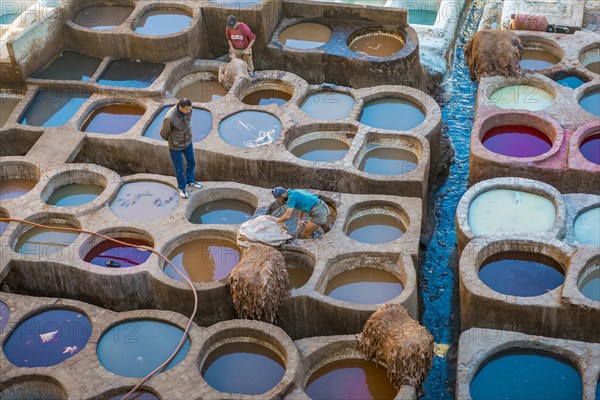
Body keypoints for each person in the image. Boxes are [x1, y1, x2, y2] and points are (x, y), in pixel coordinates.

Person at [160, 98, 203, 199]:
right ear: (180, 108)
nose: (189, 111)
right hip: (175, 146)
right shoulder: (169, 117)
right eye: (187, 109)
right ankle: (182, 187)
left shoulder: (189, 110)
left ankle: (190, 181)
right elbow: (163, 134)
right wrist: (173, 140)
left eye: (190, 109)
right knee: (179, 168)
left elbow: (187, 122)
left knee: (191, 161)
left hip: (187, 142)